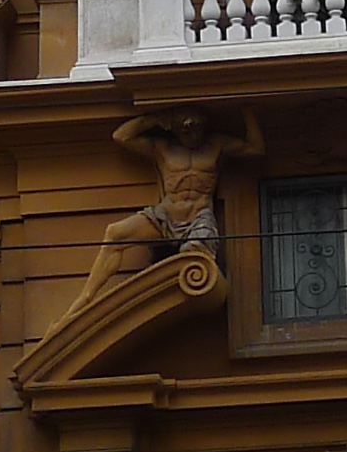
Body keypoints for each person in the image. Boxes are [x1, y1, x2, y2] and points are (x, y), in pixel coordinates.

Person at [69, 108, 262, 311]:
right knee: (115, 233)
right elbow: (121, 136)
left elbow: (256, 148)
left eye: (197, 129)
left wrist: (247, 110)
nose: (192, 136)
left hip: (198, 219)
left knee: (193, 253)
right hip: (165, 216)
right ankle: (85, 299)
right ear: (175, 129)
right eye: (186, 131)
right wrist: (154, 119)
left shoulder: (216, 145)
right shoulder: (163, 148)